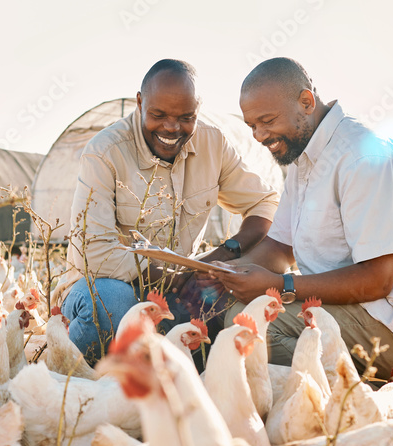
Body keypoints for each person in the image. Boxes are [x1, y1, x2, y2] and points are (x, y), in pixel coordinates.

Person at [205, 57, 393, 380]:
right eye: (252, 125)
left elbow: (376, 280)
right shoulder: (303, 157)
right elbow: (281, 247)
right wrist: (229, 274)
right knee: (224, 305)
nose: (257, 135)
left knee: (248, 322)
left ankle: (362, 400)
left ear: (306, 102)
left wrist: (279, 286)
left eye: (266, 120)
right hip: (350, 310)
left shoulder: (362, 157)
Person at [58, 59, 280, 361]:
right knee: (112, 305)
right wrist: (170, 272)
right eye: (158, 114)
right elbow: (94, 254)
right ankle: (85, 385)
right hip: (103, 285)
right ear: (139, 102)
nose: (172, 128)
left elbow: (265, 202)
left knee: (219, 302)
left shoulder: (213, 143)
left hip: (175, 289)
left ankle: (186, 381)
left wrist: (224, 255)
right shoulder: (105, 151)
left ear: (198, 110)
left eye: (186, 117)